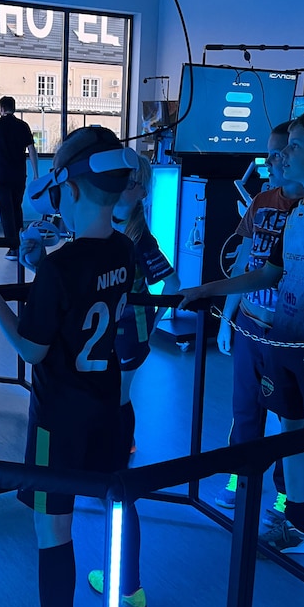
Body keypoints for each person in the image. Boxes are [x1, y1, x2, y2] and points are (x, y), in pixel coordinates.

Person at [179, 108, 304, 607]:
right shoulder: (295, 213)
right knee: (291, 439)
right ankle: (299, 520)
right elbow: (267, 274)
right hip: (280, 349)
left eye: (295, 146)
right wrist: (209, 289)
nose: (284, 154)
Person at [0, 126, 138, 607]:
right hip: (108, 406)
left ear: (70, 188)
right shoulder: (125, 249)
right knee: (114, 500)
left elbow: (32, 349)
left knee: (52, 529)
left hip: (58, 419)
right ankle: (127, 585)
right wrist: (46, 266)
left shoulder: (61, 269)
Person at [215, 121, 303, 513]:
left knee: (289, 415)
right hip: (250, 326)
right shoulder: (262, 202)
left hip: (289, 333)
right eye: (268, 154)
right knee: (245, 407)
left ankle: (287, 491)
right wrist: (227, 318)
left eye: (277, 153)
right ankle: (242, 472)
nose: (270, 161)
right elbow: (243, 264)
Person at [110, 152, 181, 455]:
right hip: (102, 324)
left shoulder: (141, 240)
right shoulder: (98, 222)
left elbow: (173, 283)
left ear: (142, 191)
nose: (122, 186)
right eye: (120, 179)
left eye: (131, 182)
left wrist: (152, 324)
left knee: (118, 394)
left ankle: (122, 448)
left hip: (131, 327)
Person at [0, 95, 39, 260]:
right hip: (18, 174)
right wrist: (36, 174)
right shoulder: (23, 126)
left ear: (1, 109)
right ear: (14, 108)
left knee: (5, 210)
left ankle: (12, 248)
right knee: (16, 207)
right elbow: (32, 150)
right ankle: (20, 243)